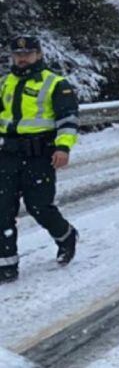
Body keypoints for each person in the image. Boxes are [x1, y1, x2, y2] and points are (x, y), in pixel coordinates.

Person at [0, 36, 79, 284]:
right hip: (7, 155)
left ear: (39, 54)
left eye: (28, 53)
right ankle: (6, 265)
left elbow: (67, 119)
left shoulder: (55, 83)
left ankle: (66, 236)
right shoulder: (4, 83)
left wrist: (63, 147)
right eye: (18, 54)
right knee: (2, 210)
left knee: (39, 207)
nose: (22, 58)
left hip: (39, 155)